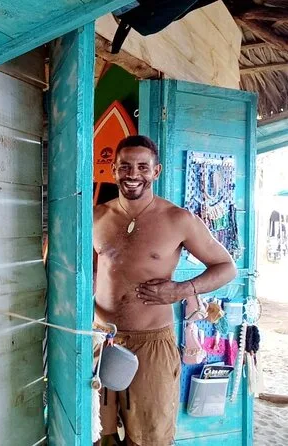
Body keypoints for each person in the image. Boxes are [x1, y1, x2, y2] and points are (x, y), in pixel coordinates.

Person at [93, 135, 237, 446]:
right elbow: (85, 272)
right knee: (98, 434)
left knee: (150, 437)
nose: (133, 174)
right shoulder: (96, 216)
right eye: (125, 166)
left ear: (156, 171)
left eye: (142, 167)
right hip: (101, 338)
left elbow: (227, 267)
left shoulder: (178, 219)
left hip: (152, 344)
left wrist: (182, 289)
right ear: (113, 169)